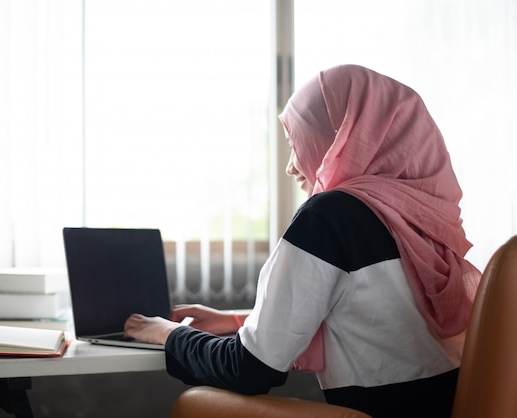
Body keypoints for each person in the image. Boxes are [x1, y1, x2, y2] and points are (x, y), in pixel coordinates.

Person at [123, 64, 481, 418]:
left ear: (341, 139)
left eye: (298, 143)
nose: (291, 166)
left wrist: (166, 333)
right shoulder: (425, 221)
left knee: (193, 404)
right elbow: (371, 313)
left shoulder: (329, 218)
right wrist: (235, 320)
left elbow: (248, 370)